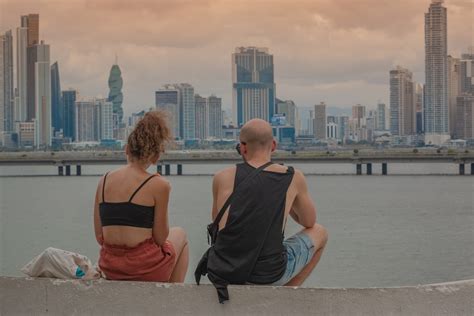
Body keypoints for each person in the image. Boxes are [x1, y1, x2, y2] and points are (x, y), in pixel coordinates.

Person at [196, 119, 328, 302]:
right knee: (320, 232)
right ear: (273, 145)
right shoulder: (292, 177)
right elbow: (309, 222)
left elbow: (219, 226)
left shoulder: (222, 177)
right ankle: (285, 295)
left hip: (226, 272)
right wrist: (286, 201)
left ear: (242, 147)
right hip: (269, 275)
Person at [94, 111, 188, 282]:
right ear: (156, 157)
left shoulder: (104, 180)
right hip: (144, 269)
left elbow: (100, 236)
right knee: (180, 234)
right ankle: (173, 297)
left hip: (110, 268)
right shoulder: (159, 184)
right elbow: (160, 238)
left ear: (127, 149)